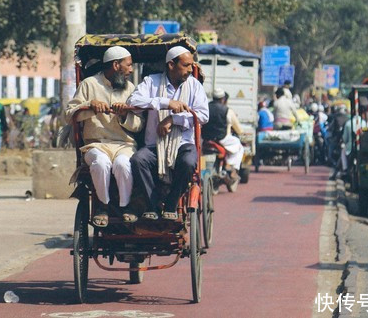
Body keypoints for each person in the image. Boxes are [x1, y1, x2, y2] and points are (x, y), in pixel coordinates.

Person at [128, 46, 209, 221]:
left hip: (183, 144)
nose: (190, 70)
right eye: (186, 65)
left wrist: (173, 119)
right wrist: (165, 102)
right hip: (155, 145)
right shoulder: (151, 82)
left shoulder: (194, 86)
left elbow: (203, 116)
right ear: (171, 65)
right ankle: (152, 205)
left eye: (191, 66)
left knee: (188, 162)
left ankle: (172, 203)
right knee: (137, 160)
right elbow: (133, 102)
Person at [65, 46, 144, 227]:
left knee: (123, 164)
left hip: (124, 144)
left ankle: (125, 207)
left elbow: (139, 125)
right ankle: (103, 206)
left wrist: (124, 115)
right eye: (128, 65)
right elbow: (70, 115)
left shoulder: (130, 88)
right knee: (100, 163)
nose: (131, 70)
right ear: (116, 65)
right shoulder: (89, 84)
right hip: (96, 144)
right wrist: (89, 105)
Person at [202, 88, 244, 187]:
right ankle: (232, 167)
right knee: (239, 146)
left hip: (206, 138)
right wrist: (241, 132)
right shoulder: (227, 110)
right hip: (222, 139)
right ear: (223, 99)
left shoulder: (205, 107)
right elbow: (238, 128)